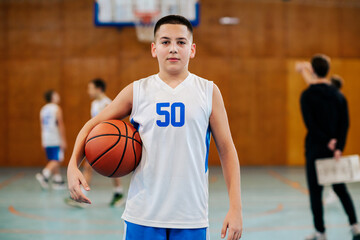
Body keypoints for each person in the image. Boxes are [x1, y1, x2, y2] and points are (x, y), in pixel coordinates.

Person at [67, 15, 243, 240]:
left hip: (191, 216)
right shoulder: (138, 91)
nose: (173, 49)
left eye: (181, 42)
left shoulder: (208, 91)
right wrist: (73, 164)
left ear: (192, 49)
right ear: (154, 48)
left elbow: (227, 151)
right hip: (142, 216)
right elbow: (92, 125)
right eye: (165, 42)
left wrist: (235, 208)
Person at [298, 54, 360, 240]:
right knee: (341, 189)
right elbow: (345, 124)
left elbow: (311, 124)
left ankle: (321, 233)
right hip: (335, 153)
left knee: (316, 194)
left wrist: (326, 140)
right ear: (328, 71)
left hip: (316, 150)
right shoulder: (338, 95)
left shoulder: (307, 95)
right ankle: (355, 227)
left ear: (313, 71)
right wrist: (338, 145)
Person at [65, 79, 125, 208]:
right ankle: (82, 195)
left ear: (98, 89)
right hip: (96, 140)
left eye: (90, 88)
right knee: (88, 167)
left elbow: (113, 124)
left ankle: (119, 192)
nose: (88, 91)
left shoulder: (107, 103)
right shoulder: (94, 104)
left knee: (114, 167)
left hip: (107, 141)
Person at [36, 90, 67, 190]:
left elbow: (42, 126)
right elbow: (60, 124)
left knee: (52, 158)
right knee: (57, 159)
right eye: (56, 95)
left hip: (46, 137)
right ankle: (44, 174)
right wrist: (63, 139)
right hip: (55, 137)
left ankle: (57, 180)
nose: (58, 96)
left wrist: (42, 140)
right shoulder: (56, 108)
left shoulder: (43, 109)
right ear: (52, 97)